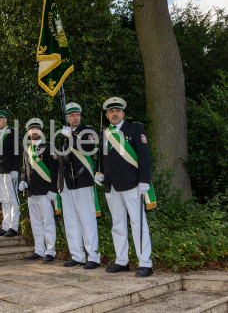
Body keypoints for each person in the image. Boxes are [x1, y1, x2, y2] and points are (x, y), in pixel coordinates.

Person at [96, 97, 153, 277]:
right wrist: (99, 172)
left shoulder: (135, 129)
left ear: (123, 113)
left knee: (138, 223)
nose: (114, 114)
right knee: (118, 224)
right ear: (107, 115)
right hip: (111, 186)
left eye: (117, 111)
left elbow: (144, 157)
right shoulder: (104, 133)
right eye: (111, 111)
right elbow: (101, 158)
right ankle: (122, 261)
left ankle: (145, 263)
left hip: (132, 184)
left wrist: (144, 181)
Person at [58, 102, 101, 269]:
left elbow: (89, 148)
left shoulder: (87, 132)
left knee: (87, 219)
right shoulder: (64, 135)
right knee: (71, 220)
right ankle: (77, 255)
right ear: (67, 118)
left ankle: (94, 257)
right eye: (71, 115)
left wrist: (71, 137)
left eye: (77, 115)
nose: (74, 118)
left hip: (83, 179)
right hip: (67, 183)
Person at [18, 119, 58, 262]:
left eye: (37, 129)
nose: (34, 132)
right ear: (28, 133)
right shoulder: (27, 149)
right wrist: (22, 180)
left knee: (48, 221)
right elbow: (24, 168)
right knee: (35, 222)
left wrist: (54, 189)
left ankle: (50, 251)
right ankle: (39, 250)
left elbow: (55, 170)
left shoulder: (49, 147)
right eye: (32, 129)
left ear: (41, 131)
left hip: (45, 191)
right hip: (31, 191)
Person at [0, 109, 21, 237]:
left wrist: (15, 169)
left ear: (5, 120)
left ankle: (13, 226)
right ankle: (5, 226)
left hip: (9, 170)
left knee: (12, 199)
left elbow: (17, 152)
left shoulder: (12, 132)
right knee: (4, 199)